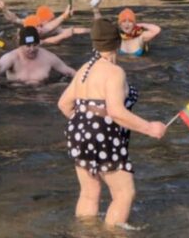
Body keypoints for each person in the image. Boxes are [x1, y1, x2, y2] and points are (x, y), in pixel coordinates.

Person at [57, 18, 167, 227]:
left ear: (95, 43)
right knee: (124, 193)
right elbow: (116, 112)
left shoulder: (84, 69)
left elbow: (63, 104)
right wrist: (150, 128)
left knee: (89, 192)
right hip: (103, 135)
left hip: (78, 131)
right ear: (117, 42)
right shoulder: (115, 72)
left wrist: (85, 125)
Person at [0, 26, 76, 85]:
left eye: (35, 45)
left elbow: (68, 71)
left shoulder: (48, 57)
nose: (32, 49)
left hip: (42, 93)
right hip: (16, 94)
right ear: (20, 45)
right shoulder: (13, 57)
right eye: (28, 46)